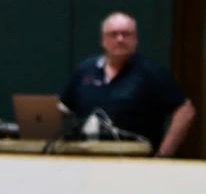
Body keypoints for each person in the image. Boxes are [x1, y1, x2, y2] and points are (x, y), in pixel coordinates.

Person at [58, 13, 196, 156]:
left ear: (135, 39)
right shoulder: (85, 70)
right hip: (88, 159)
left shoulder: (152, 73)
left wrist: (162, 155)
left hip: (136, 160)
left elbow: (185, 111)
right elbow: (61, 110)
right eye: (113, 34)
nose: (120, 39)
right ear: (103, 40)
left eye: (126, 34)